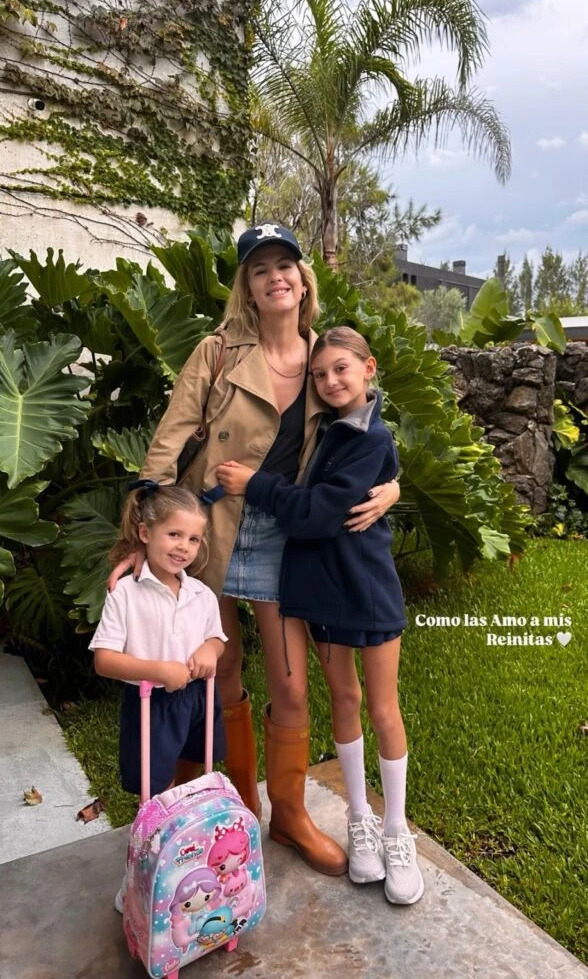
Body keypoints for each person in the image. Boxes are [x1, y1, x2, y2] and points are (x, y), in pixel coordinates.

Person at [109, 223, 400, 877]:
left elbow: (367, 433)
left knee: (291, 687)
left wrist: (394, 487)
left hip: (289, 536)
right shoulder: (217, 353)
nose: (276, 276)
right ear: (247, 282)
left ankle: (290, 815)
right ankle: (237, 808)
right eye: (260, 267)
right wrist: (139, 538)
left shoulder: (326, 355)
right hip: (208, 531)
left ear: (303, 279)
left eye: (286, 265)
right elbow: (167, 442)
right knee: (221, 672)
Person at [216, 327, 424, 905]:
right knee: (346, 700)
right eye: (320, 374)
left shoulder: (367, 435)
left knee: (383, 707)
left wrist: (255, 484)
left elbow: (320, 511)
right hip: (321, 590)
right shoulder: (328, 428)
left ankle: (396, 828)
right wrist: (393, 486)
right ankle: (359, 820)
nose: (330, 381)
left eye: (341, 370)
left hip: (367, 588)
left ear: (369, 368)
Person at [90, 484, 227, 910]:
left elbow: (215, 638)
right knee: (152, 791)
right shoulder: (126, 593)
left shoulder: (200, 593)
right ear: (145, 533)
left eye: (193, 539)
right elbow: (105, 659)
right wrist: (157, 670)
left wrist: (210, 649)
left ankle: (186, 856)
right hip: (151, 703)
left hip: (197, 700)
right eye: (174, 535)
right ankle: (141, 871)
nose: (184, 547)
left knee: (196, 776)